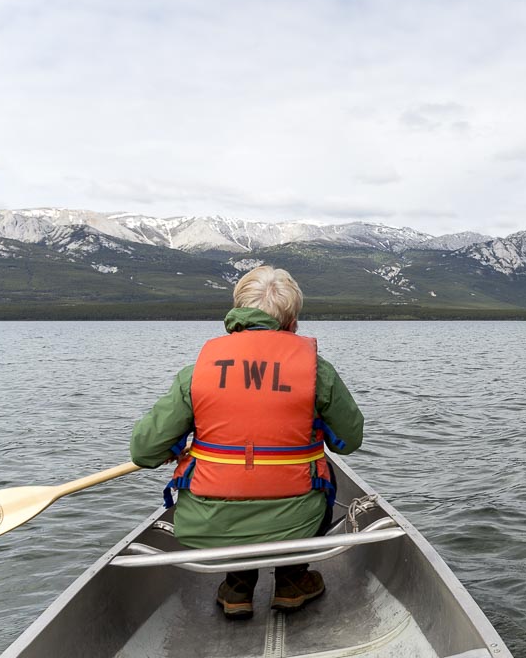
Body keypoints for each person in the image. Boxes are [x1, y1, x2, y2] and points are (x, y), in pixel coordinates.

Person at [130, 265, 364, 620]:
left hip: (208, 522)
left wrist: (174, 446)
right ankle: (291, 581)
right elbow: (349, 441)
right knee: (321, 470)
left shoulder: (197, 373)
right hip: (298, 521)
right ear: (292, 320)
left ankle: (238, 586)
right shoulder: (317, 370)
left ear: (237, 313)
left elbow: (144, 451)